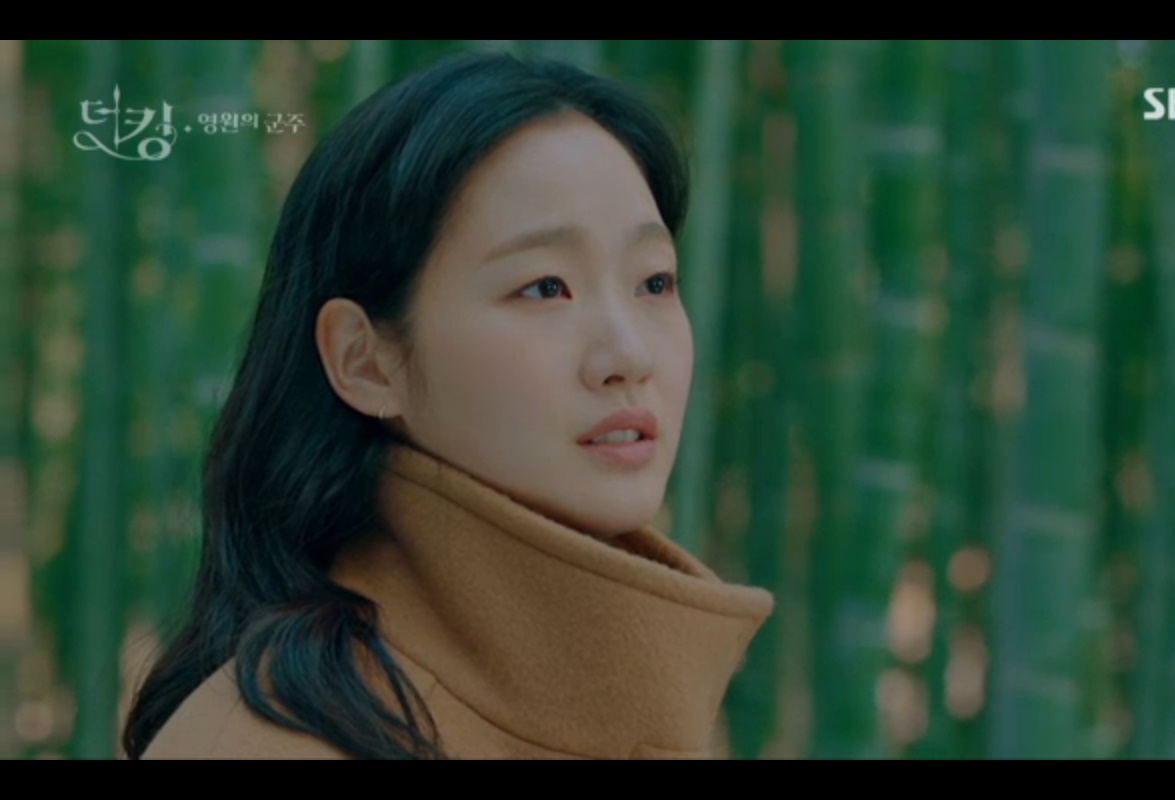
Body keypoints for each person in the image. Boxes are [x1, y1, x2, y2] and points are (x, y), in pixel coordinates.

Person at [122, 49, 774, 760]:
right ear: (365, 361)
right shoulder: (267, 745)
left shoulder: (638, 710)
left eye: (654, 282)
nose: (630, 355)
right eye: (546, 287)